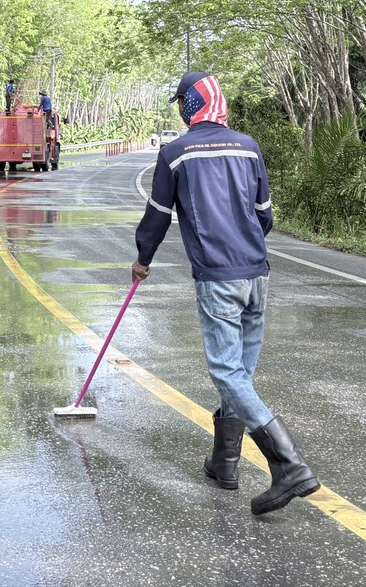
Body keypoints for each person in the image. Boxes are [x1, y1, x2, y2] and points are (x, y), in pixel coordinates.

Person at [131, 72, 320, 516]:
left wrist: (143, 258)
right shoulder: (249, 146)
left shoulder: (175, 154)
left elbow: (157, 216)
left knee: (227, 375)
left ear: (189, 106)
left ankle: (290, 466)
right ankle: (225, 464)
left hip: (218, 277)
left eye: (181, 101)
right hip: (257, 274)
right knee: (240, 375)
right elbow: (265, 215)